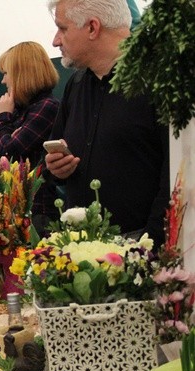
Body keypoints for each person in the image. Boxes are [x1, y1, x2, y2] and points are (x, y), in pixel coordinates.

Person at [46, 0, 169, 247]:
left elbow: (176, 175)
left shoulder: (159, 82)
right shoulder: (76, 84)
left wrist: (149, 247)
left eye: (63, 28)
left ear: (93, 28)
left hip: (138, 251)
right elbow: (55, 152)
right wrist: (56, 168)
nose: (56, 41)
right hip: (80, 247)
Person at [0, 41, 61, 234]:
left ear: (22, 74)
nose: (3, 81)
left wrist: (3, 118)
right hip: (19, 208)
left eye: (6, 74)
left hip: (37, 212)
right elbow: (4, 147)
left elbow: (7, 154)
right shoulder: (23, 109)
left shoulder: (47, 107)